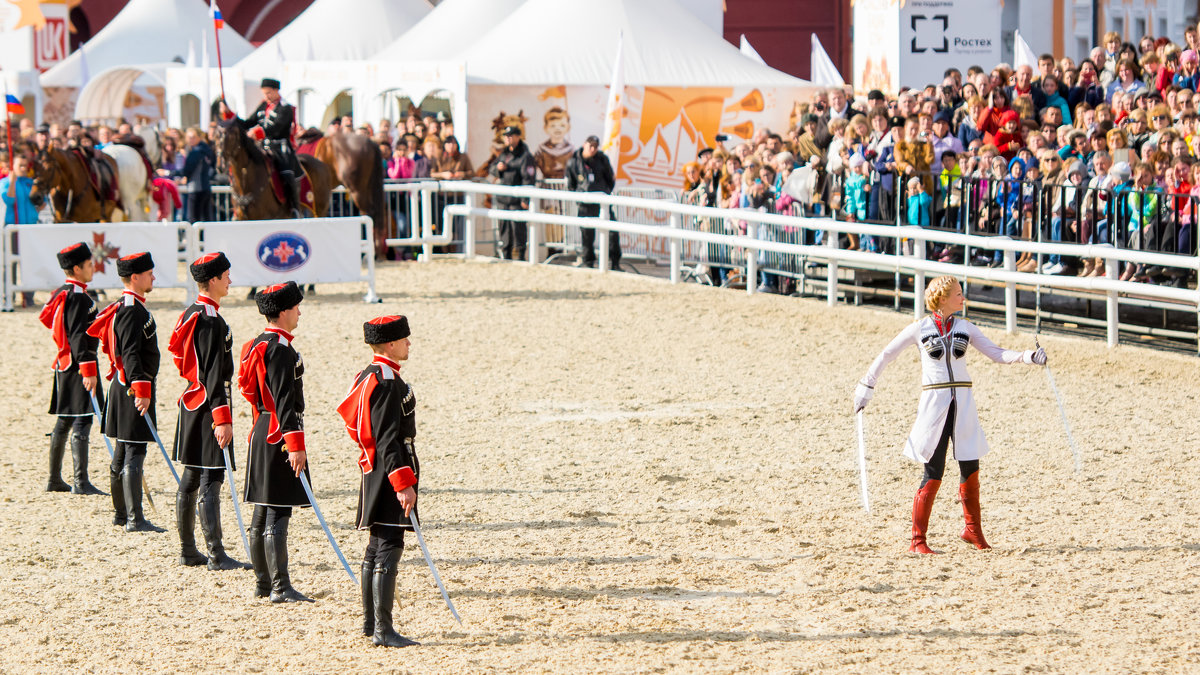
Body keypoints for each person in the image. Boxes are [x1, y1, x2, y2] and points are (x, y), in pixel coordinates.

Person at [853, 276, 1047, 554]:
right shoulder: (918, 329)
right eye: (958, 293)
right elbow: (887, 354)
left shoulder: (965, 327)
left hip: (963, 405)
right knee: (934, 471)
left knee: (971, 468)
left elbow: (996, 353)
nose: (963, 297)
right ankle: (918, 540)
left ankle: (973, 531)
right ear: (942, 298)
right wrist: (867, 385)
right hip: (935, 406)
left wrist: (1028, 356)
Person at [336, 315, 421, 648]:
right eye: (404, 339)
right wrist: (402, 482)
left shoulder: (369, 374)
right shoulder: (387, 381)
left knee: (375, 547)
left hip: (375, 468)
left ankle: (371, 623)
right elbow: (387, 438)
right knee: (389, 546)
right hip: (390, 470)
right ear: (389, 344)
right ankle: (383, 630)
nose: (409, 344)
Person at [168, 252, 247, 571]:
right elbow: (214, 373)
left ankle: (189, 549)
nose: (230, 280)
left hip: (192, 401)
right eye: (226, 275)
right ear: (212, 280)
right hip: (208, 406)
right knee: (210, 477)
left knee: (190, 477)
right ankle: (215, 553)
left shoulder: (193, 312)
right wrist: (222, 418)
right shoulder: (210, 319)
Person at [238, 282, 313, 603]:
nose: (299, 311)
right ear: (282, 312)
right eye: (296, 306)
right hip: (279, 432)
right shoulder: (280, 350)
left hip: (262, 426)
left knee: (262, 510)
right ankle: (280, 586)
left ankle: (263, 583)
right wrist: (295, 443)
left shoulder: (257, 343)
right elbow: (285, 400)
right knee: (278, 511)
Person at [86, 252, 165, 533]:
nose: (153, 277)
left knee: (122, 451)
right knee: (134, 451)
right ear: (135, 277)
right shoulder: (131, 309)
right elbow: (130, 352)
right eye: (149, 273)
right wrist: (141, 387)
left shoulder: (127, 305)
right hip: (133, 385)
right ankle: (134, 518)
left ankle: (122, 514)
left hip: (124, 384)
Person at [38, 242, 104, 495]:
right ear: (76, 268)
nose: (92, 269)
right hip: (79, 364)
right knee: (82, 419)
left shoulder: (61, 293)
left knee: (64, 419)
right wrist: (88, 369)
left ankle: (55, 478)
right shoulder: (78, 297)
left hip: (65, 362)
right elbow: (78, 335)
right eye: (88, 265)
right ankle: (81, 480)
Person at [239, 78, 302, 216]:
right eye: (264, 93)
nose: (266, 96)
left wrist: (257, 132)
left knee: (286, 174)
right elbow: (248, 122)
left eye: (268, 93)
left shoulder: (285, 108)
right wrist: (231, 117)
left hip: (280, 148)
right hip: (264, 147)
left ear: (276, 91)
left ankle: (294, 207)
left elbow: (277, 127)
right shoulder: (263, 106)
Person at [565, 135, 620, 269]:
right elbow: (571, 184)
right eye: (591, 145)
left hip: (603, 204)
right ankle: (588, 262)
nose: (593, 148)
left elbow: (610, 179)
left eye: (595, 146)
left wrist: (604, 192)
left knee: (612, 233)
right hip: (585, 204)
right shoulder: (574, 162)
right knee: (587, 235)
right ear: (584, 144)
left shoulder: (602, 159)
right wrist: (580, 196)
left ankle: (615, 262)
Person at [489, 125, 537, 260]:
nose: (507, 138)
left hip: (517, 199)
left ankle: (520, 254)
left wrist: (525, 199)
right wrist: (498, 169)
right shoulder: (504, 154)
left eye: (510, 136)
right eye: (506, 136)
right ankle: (506, 253)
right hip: (504, 198)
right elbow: (491, 168)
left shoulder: (525, 156)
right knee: (504, 228)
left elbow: (528, 178)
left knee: (518, 228)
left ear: (517, 137)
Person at [180, 127, 215, 222]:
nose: (190, 140)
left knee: (193, 220)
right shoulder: (207, 150)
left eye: (193, 137)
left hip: (196, 189)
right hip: (206, 187)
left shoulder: (196, 151)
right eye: (189, 137)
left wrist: (168, 173)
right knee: (206, 220)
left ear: (199, 137)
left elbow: (187, 170)